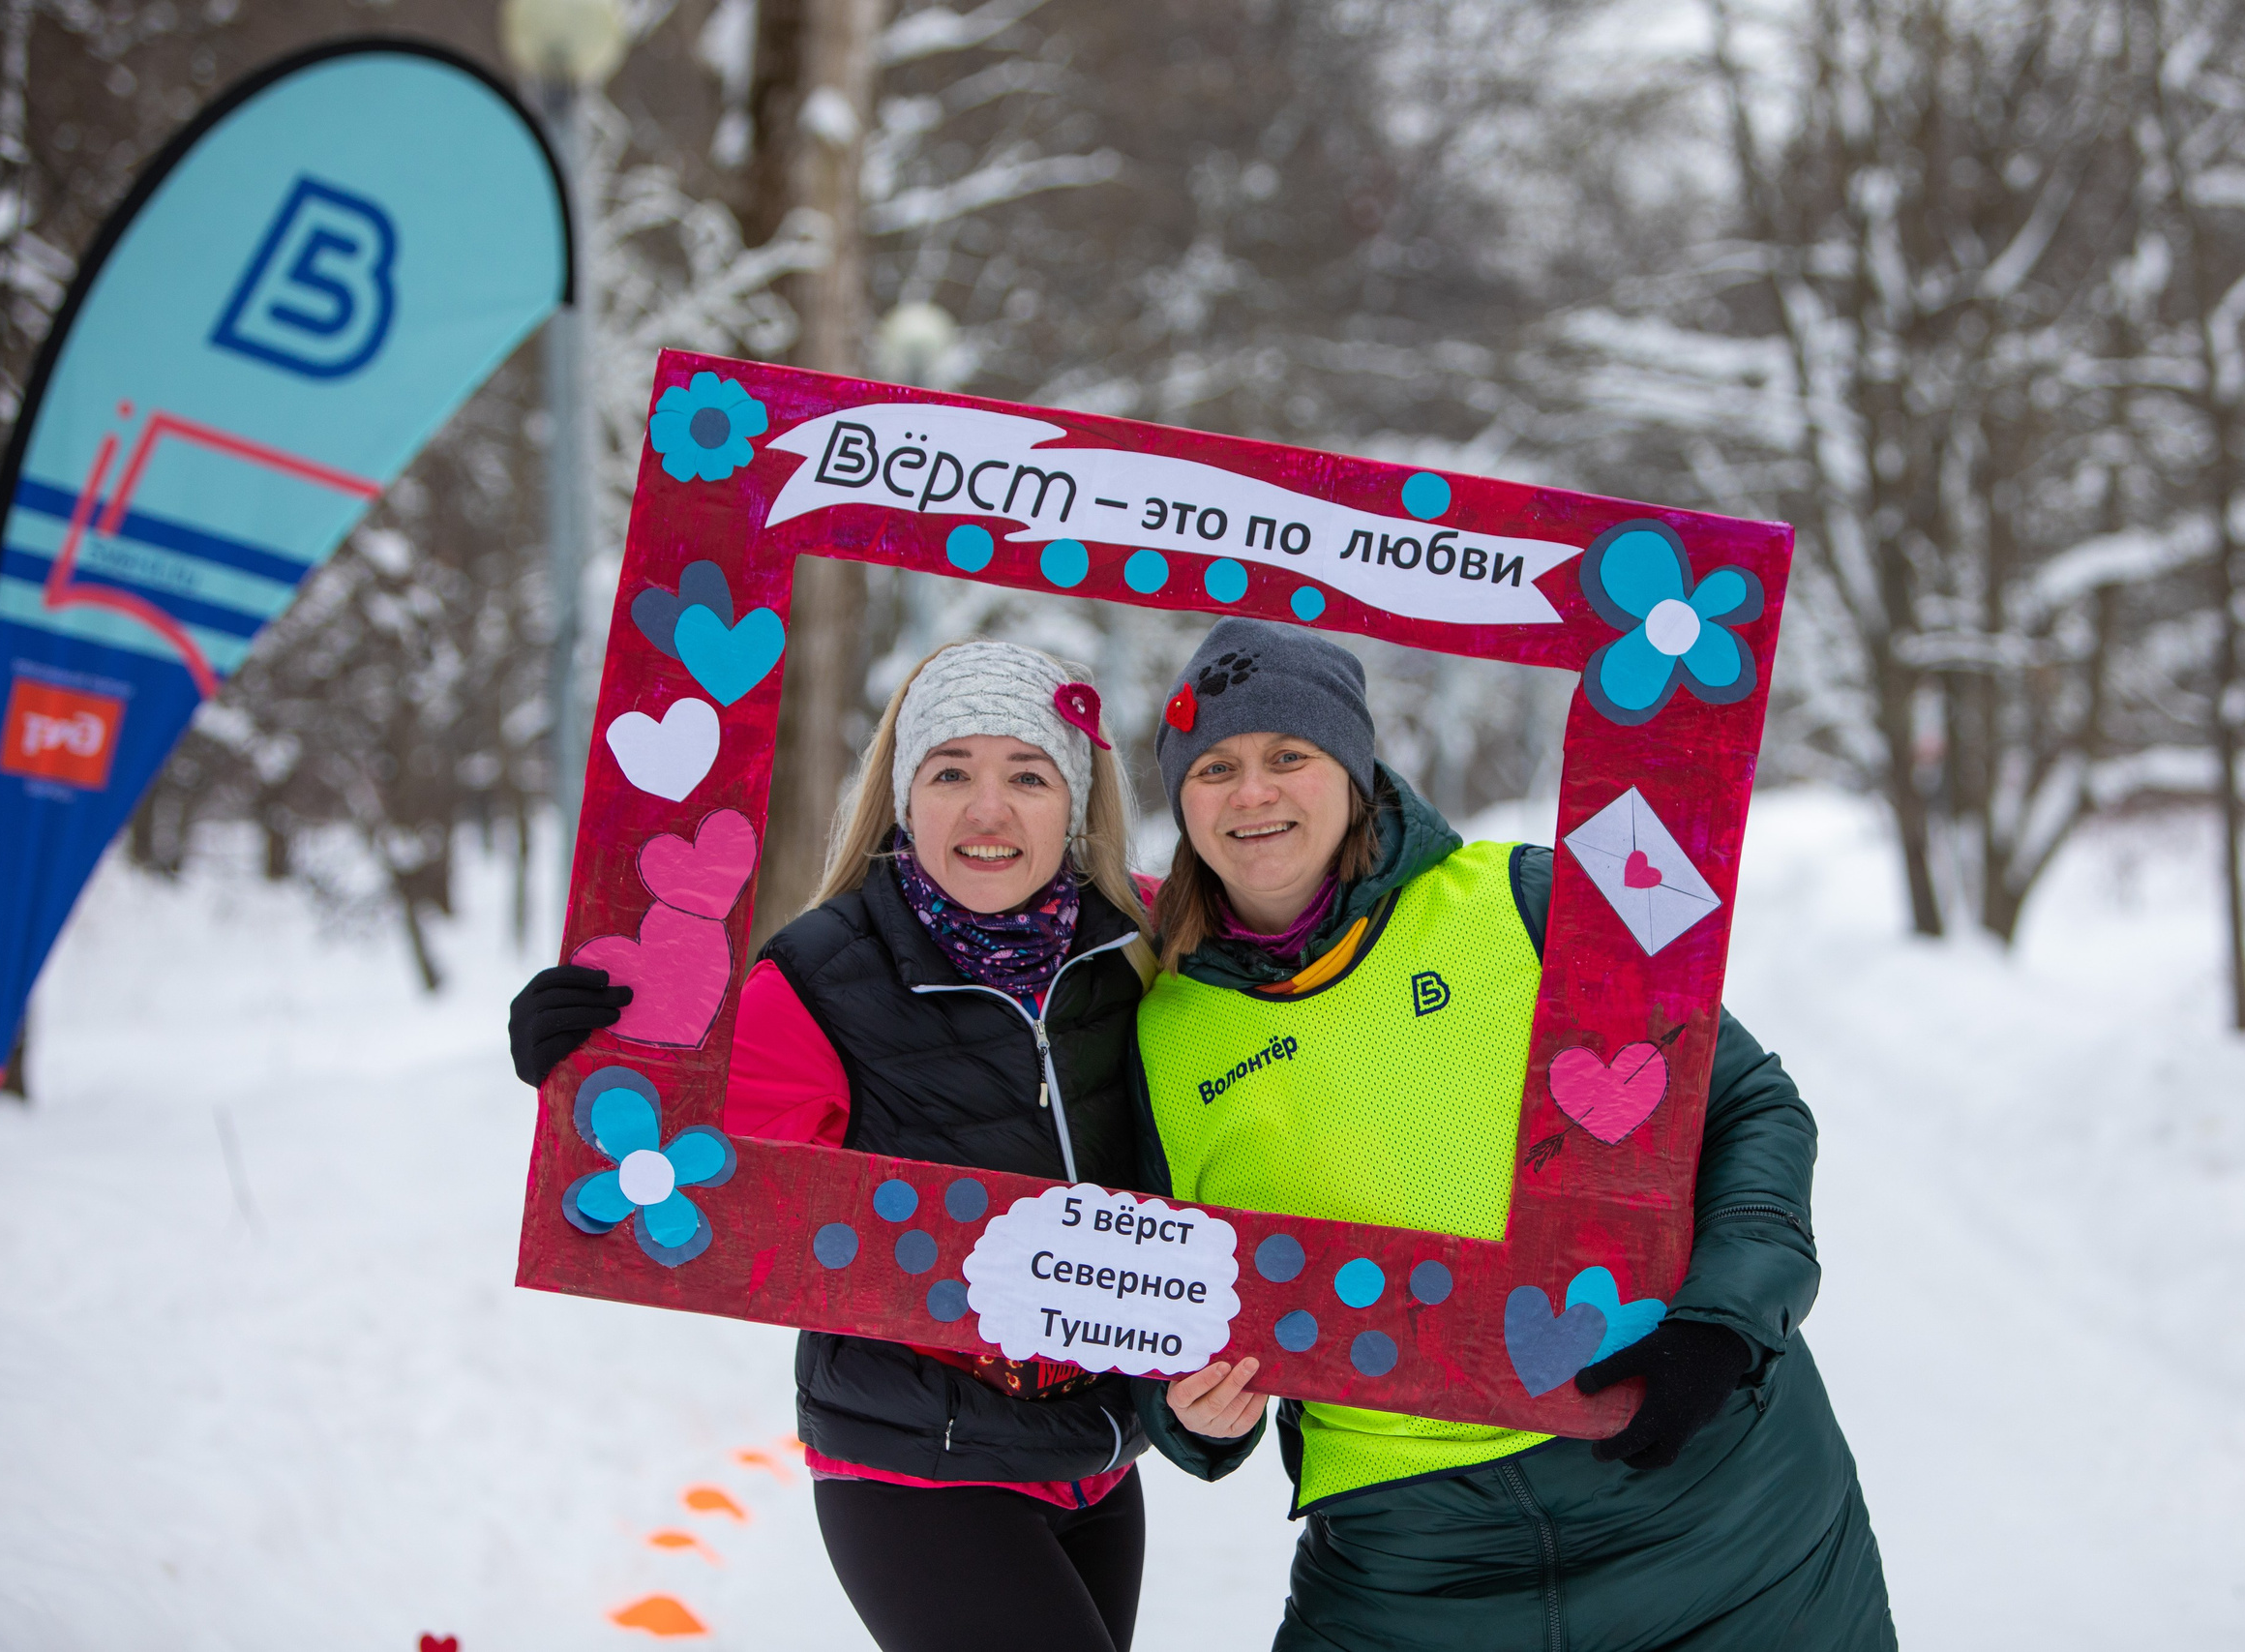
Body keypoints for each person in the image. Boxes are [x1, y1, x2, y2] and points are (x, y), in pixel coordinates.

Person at [1129, 617, 1897, 1652]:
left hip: (1709, 1501)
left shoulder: (1527, 897)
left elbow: (1749, 1106)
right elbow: (1157, 1286)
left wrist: (1723, 1322)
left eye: (1288, 754)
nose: (1252, 792)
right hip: (1410, 1558)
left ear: (1354, 767)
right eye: (1214, 767)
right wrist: (1187, 1411)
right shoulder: (1159, 1030)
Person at [508, 640, 1157, 1652]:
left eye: (1028, 776)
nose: (988, 810)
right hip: (918, 1459)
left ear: (1074, 800)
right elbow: (709, 1181)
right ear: (904, 797)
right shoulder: (820, 976)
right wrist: (594, 1071)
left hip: (1098, 1456)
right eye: (951, 773)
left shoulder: (1140, 948)